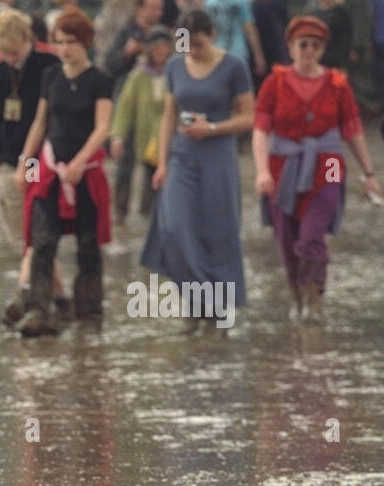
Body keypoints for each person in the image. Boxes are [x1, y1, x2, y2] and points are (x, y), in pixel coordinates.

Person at [252, 15, 380, 321]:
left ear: (322, 50)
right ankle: (297, 294)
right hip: (283, 164)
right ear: (291, 48)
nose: (308, 51)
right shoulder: (275, 83)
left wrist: (369, 173)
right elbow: (260, 129)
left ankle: (315, 293)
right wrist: (261, 171)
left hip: (330, 161)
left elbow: (352, 128)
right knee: (286, 238)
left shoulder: (337, 84)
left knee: (312, 233)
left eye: (315, 46)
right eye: (303, 45)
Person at [141, 9, 254, 333]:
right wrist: (162, 162)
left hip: (218, 154)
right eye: (188, 44)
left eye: (199, 44)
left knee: (217, 233)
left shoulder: (234, 66)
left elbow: (250, 117)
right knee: (174, 229)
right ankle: (195, 299)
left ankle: (216, 308)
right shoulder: (176, 65)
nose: (193, 51)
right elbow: (168, 115)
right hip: (182, 155)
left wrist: (214, 127)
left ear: (212, 36)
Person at [13, 5, 112, 335]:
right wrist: (25, 164)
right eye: (58, 41)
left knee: (88, 243)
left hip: (86, 172)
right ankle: (38, 309)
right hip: (50, 169)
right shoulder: (50, 76)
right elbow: (40, 123)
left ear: (85, 42)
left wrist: (81, 161)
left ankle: (90, 312)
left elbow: (102, 127)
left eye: (70, 41)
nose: (64, 48)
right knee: (42, 241)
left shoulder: (99, 79)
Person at [0, 7, 67, 325]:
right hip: (7, 159)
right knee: (26, 235)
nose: (9, 57)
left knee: (36, 232)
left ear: (26, 39)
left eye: (13, 51)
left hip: (38, 160)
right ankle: (59, 297)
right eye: (3, 52)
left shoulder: (48, 64)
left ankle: (27, 291)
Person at [109, 25, 172, 223]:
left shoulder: (176, 72)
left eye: (164, 46)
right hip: (143, 137)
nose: (160, 51)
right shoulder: (138, 75)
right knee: (132, 173)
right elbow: (124, 108)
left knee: (158, 180)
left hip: (168, 137)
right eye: (157, 47)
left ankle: (154, 215)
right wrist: (117, 136)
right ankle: (124, 213)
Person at [203, 0, 268, 79]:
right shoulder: (241, 2)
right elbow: (250, 29)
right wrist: (258, 56)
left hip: (218, 54)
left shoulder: (209, 3)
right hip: (236, 55)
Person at [311, 0, 353, 71]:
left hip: (335, 61)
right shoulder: (313, 14)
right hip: (318, 60)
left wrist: (344, 64)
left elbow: (346, 40)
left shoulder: (341, 14)